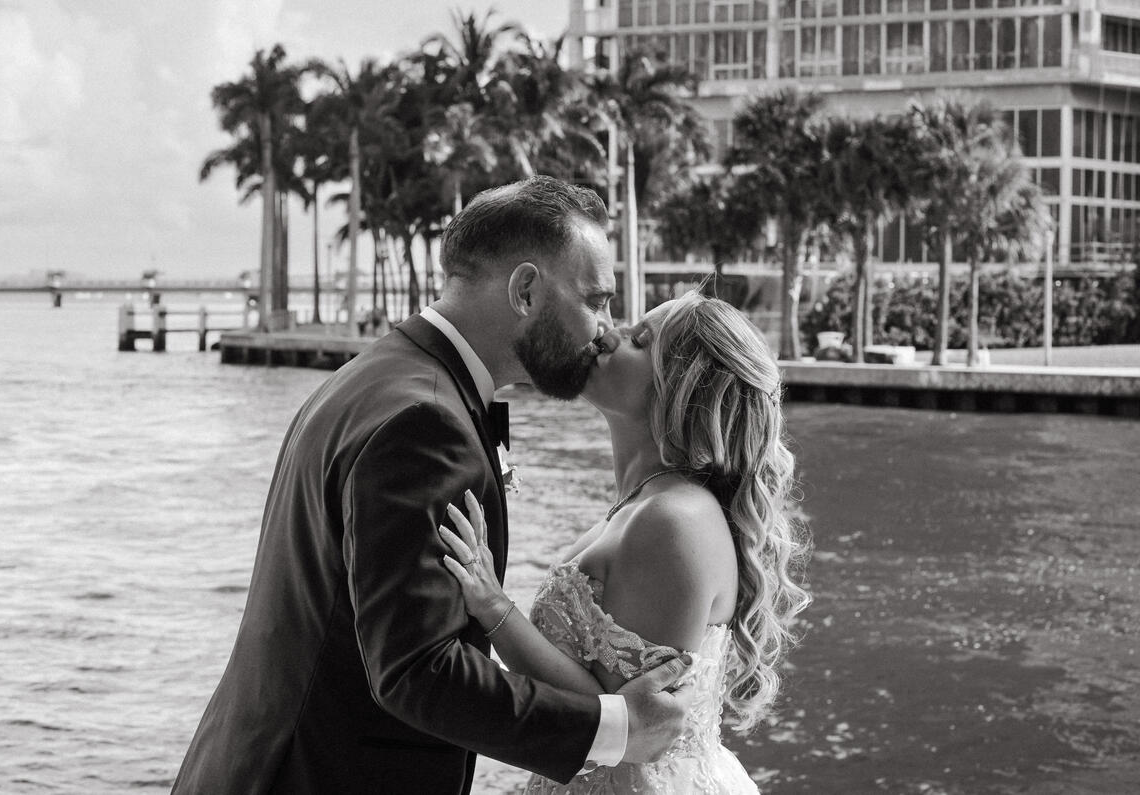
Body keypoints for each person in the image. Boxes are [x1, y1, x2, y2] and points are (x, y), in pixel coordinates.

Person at [171, 176, 696, 795]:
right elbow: (415, 669)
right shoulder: (426, 423)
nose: (604, 327)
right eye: (596, 299)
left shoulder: (374, 377)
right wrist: (614, 728)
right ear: (526, 290)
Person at [439, 291, 813, 793]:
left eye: (640, 341)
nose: (608, 335)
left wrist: (494, 608)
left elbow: (623, 727)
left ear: (681, 388)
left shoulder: (671, 521)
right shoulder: (643, 506)